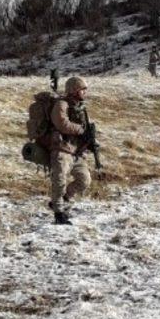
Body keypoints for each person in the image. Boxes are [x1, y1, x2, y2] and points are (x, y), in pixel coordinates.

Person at [48, 75, 93, 224]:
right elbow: (62, 124)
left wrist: (90, 141)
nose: (85, 92)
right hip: (61, 148)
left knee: (84, 180)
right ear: (74, 90)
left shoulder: (80, 107)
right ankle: (58, 213)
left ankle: (63, 199)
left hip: (76, 151)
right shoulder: (61, 104)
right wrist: (81, 130)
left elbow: (85, 129)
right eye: (82, 89)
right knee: (59, 180)